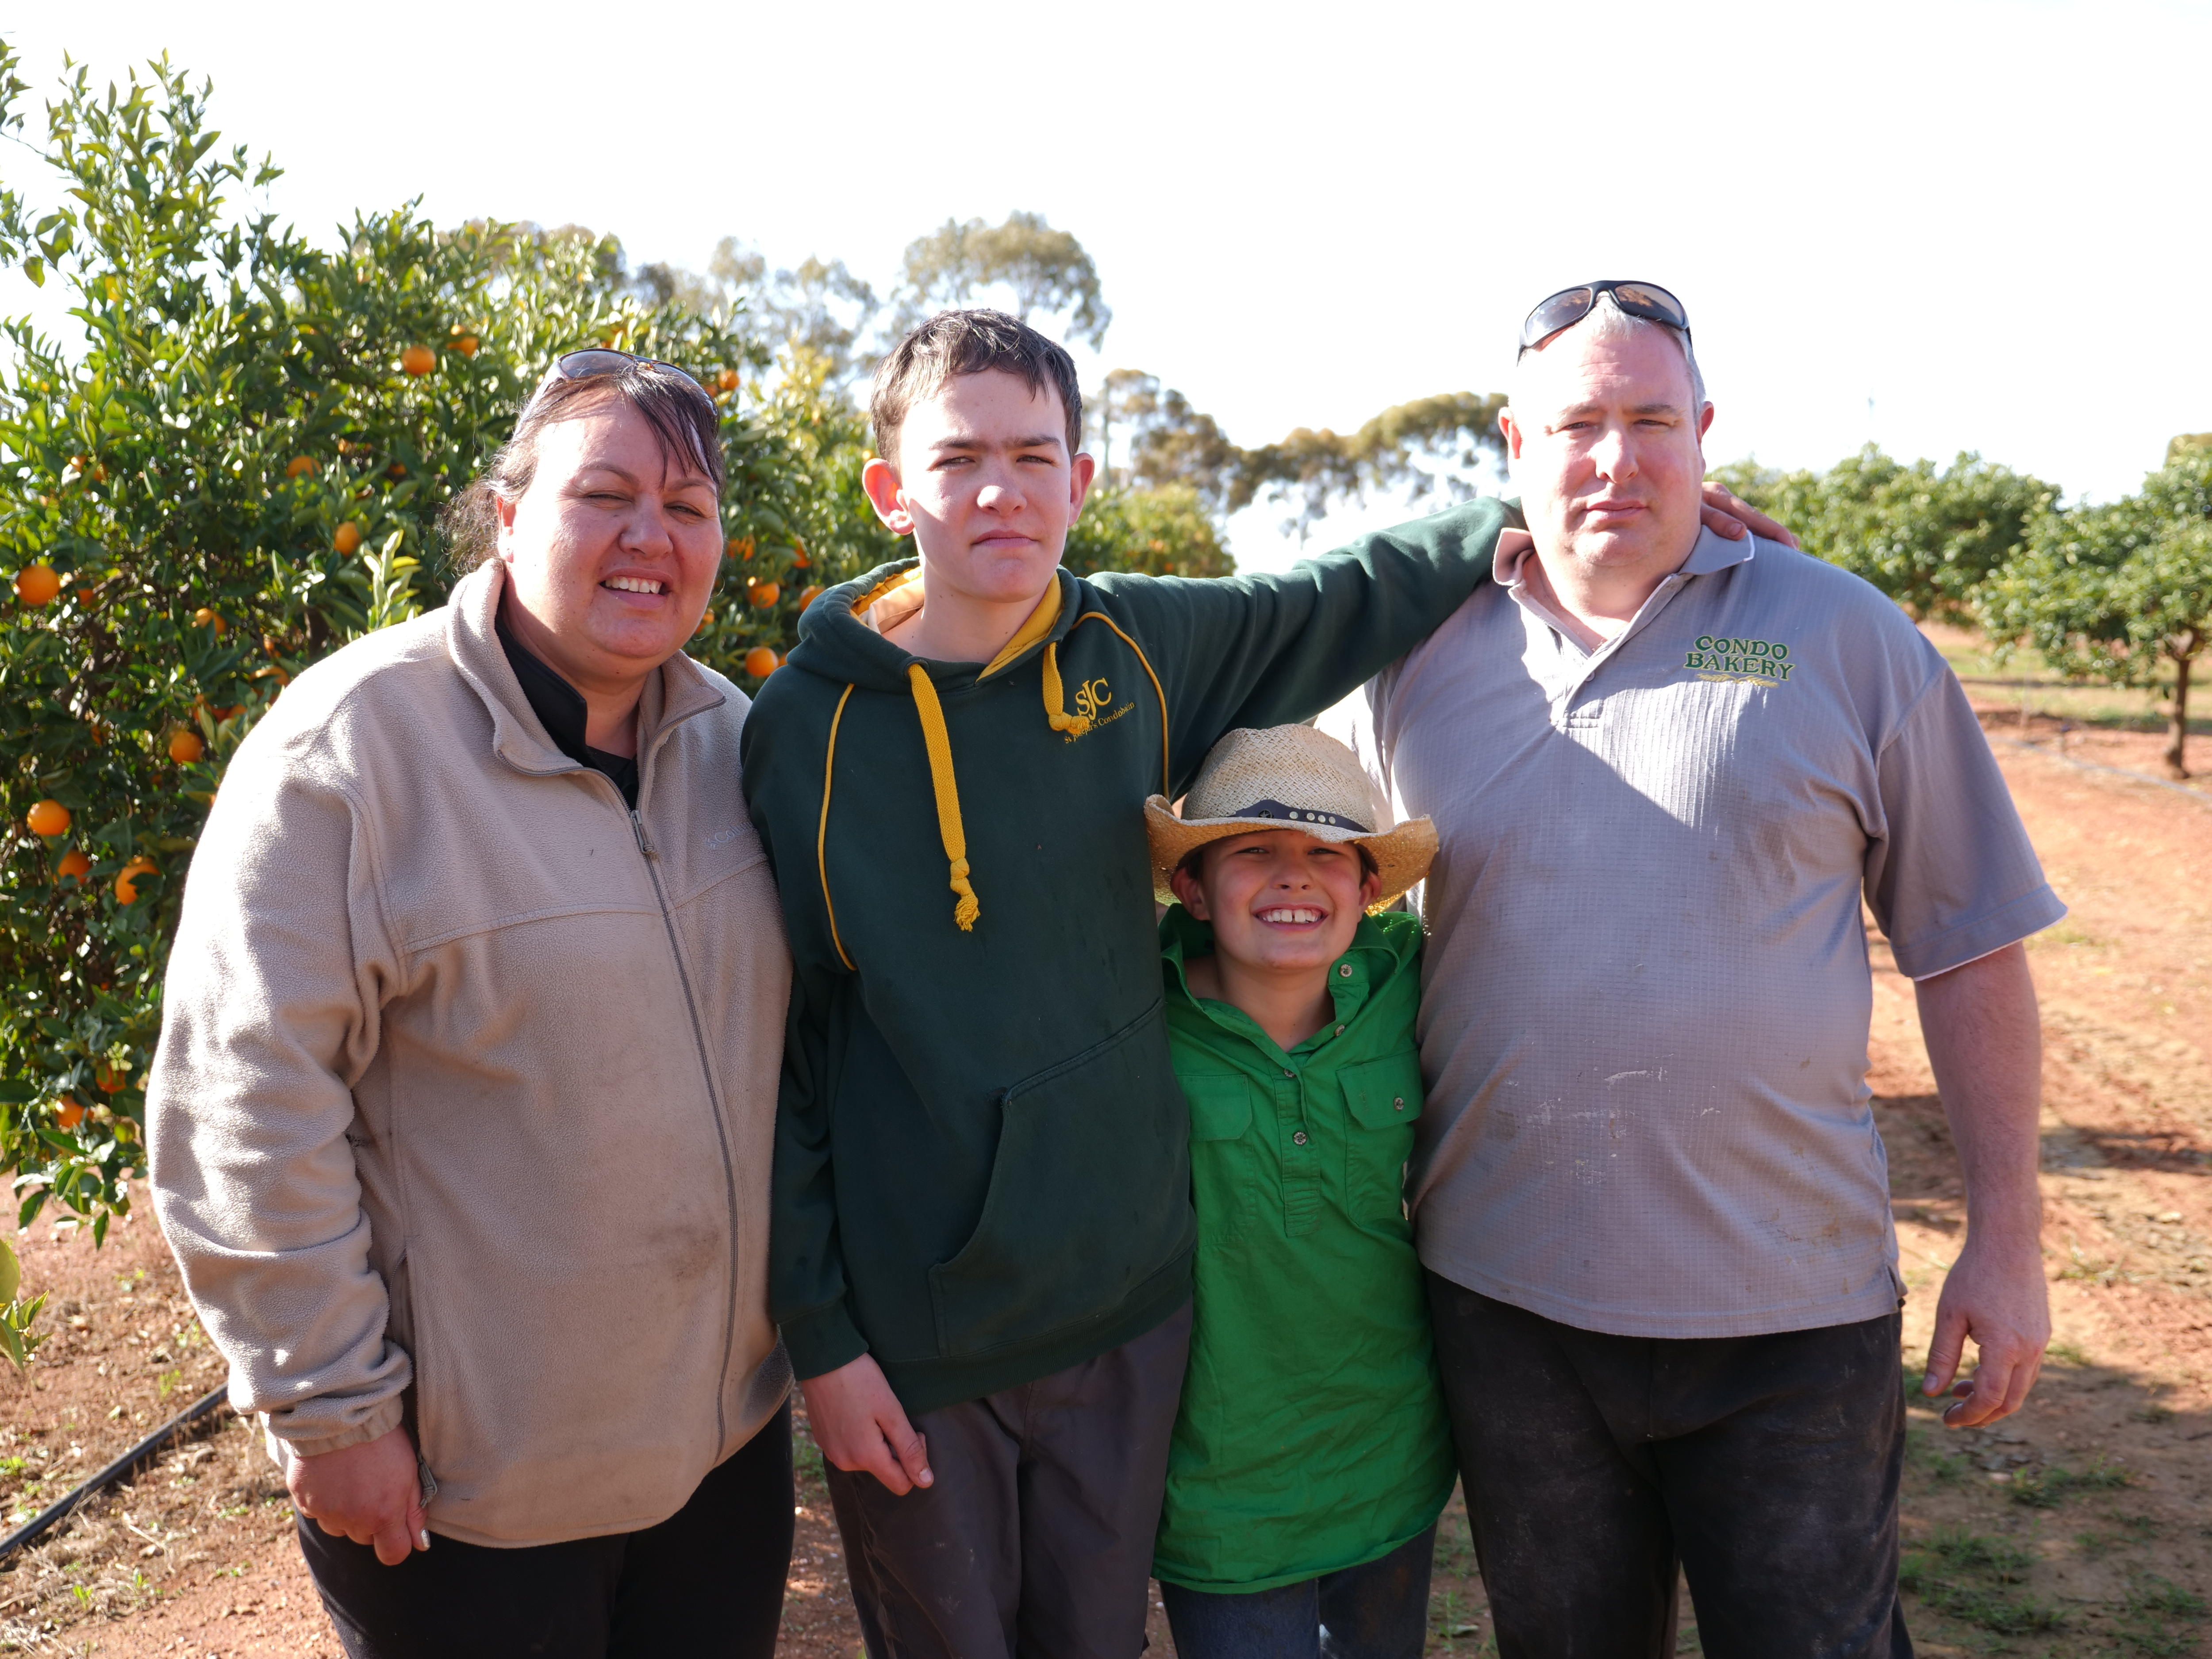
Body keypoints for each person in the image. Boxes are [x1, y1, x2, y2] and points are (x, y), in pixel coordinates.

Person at [739, 307, 1784, 1656]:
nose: (1001, 488)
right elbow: (795, 1042)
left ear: (1082, 478)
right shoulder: (800, 734)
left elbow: (1334, 595)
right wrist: (822, 1337)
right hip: (923, 1337)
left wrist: (1565, 492)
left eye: (1036, 453)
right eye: (958, 460)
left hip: (1125, 1315)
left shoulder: (1132, 650)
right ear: (891, 489)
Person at [1322, 280, 2064, 1658]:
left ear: (1706, 432)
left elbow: (1968, 949)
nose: (1617, 457)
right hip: (1506, 1298)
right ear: (1513, 440)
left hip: (1792, 1313)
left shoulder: (1841, 636)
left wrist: (2008, 1242)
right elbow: (1297, 889)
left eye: (1652, 419)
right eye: (1578, 424)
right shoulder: (1411, 661)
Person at [147, 352, 795, 1658]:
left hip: (721, 1453)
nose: (646, 536)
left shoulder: (741, 742)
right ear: (506, 515)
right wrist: (331, 1411)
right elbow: (243, 1104)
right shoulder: (350, 756)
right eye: (601, 493)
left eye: (686, 505)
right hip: (472, 1492)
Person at [1147, 724, 1447, 1659]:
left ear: (1369, 890)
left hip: (1389, 1457)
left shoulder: (1413, 988)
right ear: (1192, 888)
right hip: (1219, 1486)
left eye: (1327, 854)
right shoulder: (1132, 1021)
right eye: (1253, 853)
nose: (1294, 877)